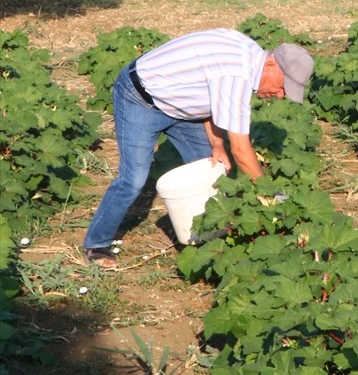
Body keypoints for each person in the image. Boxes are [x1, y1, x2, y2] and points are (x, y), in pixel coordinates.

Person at [81, 28, 314, 269]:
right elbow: (242, 150)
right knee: (134, 179)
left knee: (212, 170)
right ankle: (96, 243)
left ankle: (210, 238)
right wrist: (269, 194)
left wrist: (216, 143)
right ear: (272, 65)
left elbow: (209, 93)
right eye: (282, 87)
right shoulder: (237, 72)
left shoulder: (249, 57)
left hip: (183, 106)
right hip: (141, 98)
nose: (279, 95)